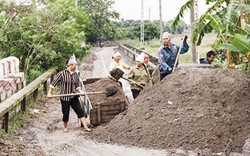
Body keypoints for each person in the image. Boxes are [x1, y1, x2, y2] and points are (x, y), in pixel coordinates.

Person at [47, 58, 92, 132]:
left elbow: (77, 86)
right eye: (75, 65)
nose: (76, 67)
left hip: (74, 97)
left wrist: (80, 91)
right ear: (70, 65)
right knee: (66, 113)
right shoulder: (62, 73)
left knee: (80, 111)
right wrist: (49, 93)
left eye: (76, 65)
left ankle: (86, 127)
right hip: (64, 97)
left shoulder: (75, 74)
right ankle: (65, 127)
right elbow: (53, 84)